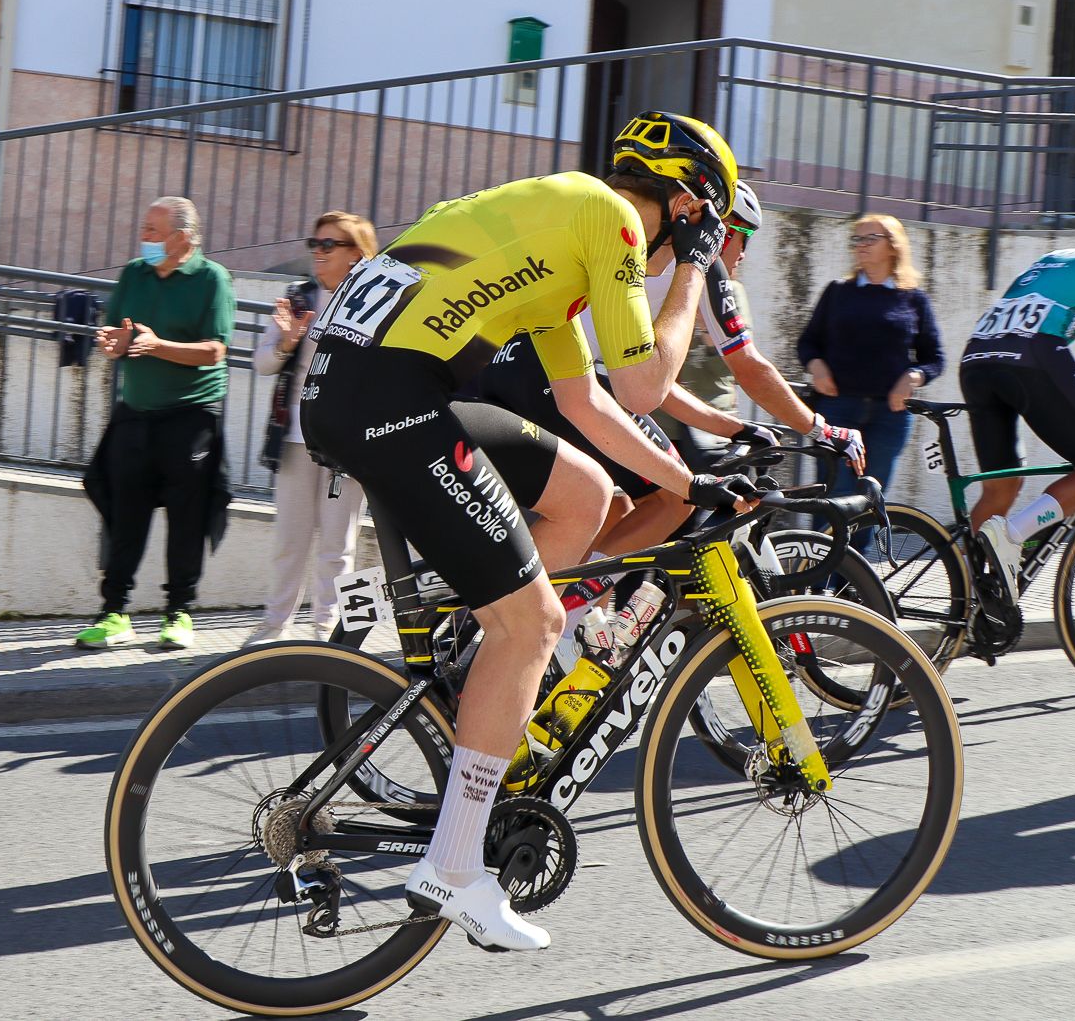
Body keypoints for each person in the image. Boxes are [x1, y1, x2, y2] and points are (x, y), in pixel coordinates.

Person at [299, 111, 758, 951]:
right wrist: (695, 266)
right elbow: (645, 386)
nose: (697, 251)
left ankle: (487, 662)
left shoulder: (565, 227)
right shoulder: (612, 221)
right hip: (386, 396)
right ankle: (454, 864)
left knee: (584, 493)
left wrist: (690, 484)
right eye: (707, 228)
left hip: (371, 384)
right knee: (536, 622)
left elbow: (589, 404)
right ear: (688, 206)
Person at [480, 179, 865, 561]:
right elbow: (748, 366)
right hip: (559, 377)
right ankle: (562, 602)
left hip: (513, 365)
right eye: (744, 235)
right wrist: (822, 429)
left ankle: (556, 596)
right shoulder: (700, 264)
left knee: (617, 508)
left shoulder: (651, 256)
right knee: (675, 497)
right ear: (721, 228)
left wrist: (733, 427)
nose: (744, 253)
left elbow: (650, 382)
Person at [77, 196, 236, 651]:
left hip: (191, 414)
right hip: (136, 412)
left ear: (182, 237)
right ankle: (114, 613)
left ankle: (179, 612)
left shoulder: (212, 279)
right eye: (144, 228)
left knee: (187, 517)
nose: (143, 237)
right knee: (124, 512)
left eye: (153, 230)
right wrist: (114, 343)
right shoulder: (134, 273)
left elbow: (215, 350)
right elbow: (118, 334)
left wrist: (157, 345)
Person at [245, 211, 376, 646]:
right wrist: (286, 343)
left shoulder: (374, 304)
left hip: (348, 442)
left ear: (357, 253)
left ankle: (329, 637)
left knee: (338, 546)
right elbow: (262, 362)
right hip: (295, 438)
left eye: (328, 245)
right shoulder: (298, 297)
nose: (318, 253)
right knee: (290, 541)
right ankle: (274, 628)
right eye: (314, 244)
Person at [963, 241, 1075, 604]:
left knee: (1000, 488)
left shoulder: (1058, 258)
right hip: (1031, 354)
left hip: (976, 358)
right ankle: (1013, 535)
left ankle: (967, 600)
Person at [797, 213, 944, 498]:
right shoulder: (838, 292)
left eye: (870, 238)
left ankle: (862, 532)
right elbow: (808, 343)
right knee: (833, 497)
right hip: (838, 408)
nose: (861, 245)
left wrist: (913, 377)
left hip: (889, 415)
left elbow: (935, 358)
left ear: (893, 246)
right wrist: (816, 366)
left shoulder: (914, 299)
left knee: (870, 498)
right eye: (857, 239)